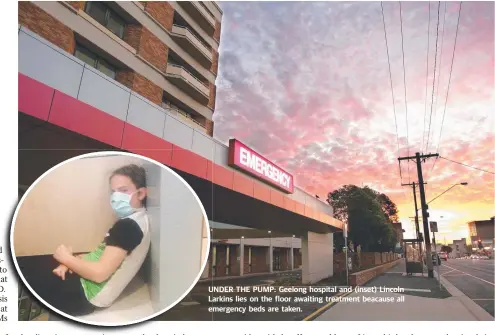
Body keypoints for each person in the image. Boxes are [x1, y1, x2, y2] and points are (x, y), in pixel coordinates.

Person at [24, 164, 151, 317]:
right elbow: (101, 256)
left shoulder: (128, 226)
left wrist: (65, 258)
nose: (116, 197)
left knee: (25, 271)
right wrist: (70, 261)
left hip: (84, 295)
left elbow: (99, 274)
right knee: (31, 265)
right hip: (83, 283)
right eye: (113, 192)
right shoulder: (134, 220)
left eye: (123, 191)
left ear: (141, 193)